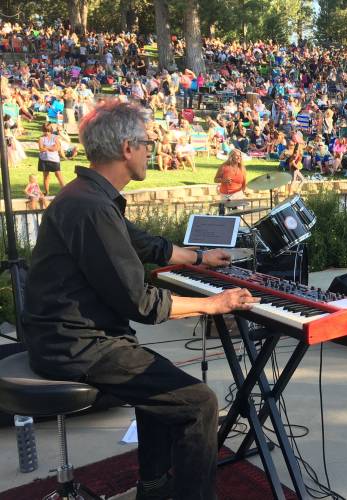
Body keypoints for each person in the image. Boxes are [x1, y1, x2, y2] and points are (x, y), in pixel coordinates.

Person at [22, 101, 258, 500]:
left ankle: (153, 487)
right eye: (147, 143)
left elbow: (147, 245)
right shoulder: (92, 208)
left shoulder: (86, 194)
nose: (152, 150)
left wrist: (200, 257)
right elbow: (143, 304)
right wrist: (213, 303)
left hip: (68, 336)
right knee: (198, 402)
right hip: (76, 345)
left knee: (162, 387)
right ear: (127, 148)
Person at [37, 122, 66, 195]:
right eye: (45, 131)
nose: (47, 133)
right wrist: (51, 147)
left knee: (58, 174)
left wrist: (46, 147)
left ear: (51, 130)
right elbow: (41, 149)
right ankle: (46, 191)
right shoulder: (41, 138)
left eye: (48, 131)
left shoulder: (55, 137)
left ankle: (65, 190)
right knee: (46, 176)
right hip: (44, 159)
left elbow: (57, 148)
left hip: (54, 159)